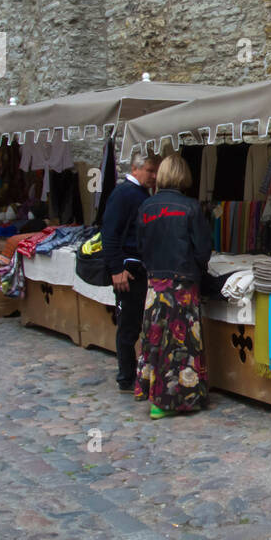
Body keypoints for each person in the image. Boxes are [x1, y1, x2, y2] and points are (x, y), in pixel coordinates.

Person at [134, 153, 212, 418]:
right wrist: (198, 269)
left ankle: (157, 398)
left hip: (156, 285)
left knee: (157, 342)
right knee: (182, 346)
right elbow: (202, 250)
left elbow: (141, 247)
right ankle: (183, 398)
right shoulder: (191, 208)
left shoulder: (146, 207)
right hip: (182, 286)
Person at [101, 150, 159, 391]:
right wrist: (116, 268)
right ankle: (125, 376)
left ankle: (137, 372)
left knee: (137, 322)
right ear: (135, 169)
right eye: (150, 170)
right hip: (128, 269)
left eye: (156, 171)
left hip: (140, 268)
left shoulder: (139, 193)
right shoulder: (124, 194)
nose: (154, 176)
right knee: (128, 325)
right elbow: (110, 233)